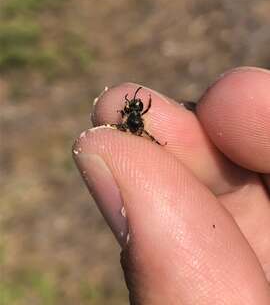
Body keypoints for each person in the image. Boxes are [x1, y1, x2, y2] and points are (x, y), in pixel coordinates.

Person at [73, 66, 270, 304]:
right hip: (135, 131)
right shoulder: (133, 112)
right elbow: (135, 111)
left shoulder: (135, 112)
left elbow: (139, 110)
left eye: (134, 106)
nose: (133, 107)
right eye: (133, 106)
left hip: (136, 130)